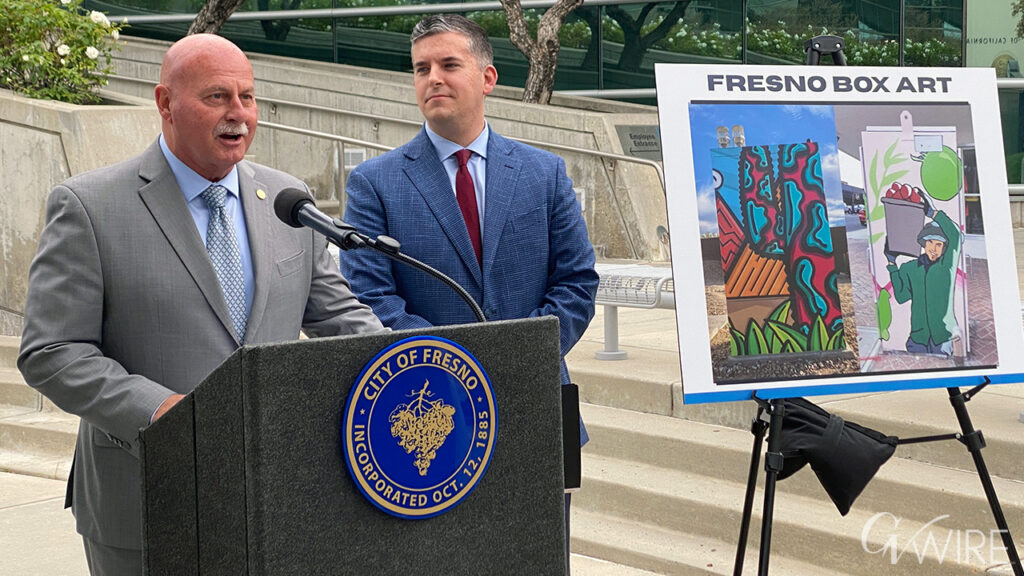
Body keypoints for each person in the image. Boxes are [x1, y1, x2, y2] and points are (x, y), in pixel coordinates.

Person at [17, 34, 384, 576]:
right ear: (165, 103)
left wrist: (414, 361)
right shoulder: (89, 206)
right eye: (217, 97)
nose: (239, 114)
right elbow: (52, 350)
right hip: (144, 502)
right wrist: (165, 415)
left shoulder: (289, 202)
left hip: (273, 501)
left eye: (248, 97)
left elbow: (340, 318)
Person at [340, 14, 598, 572]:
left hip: (536, 403)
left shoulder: (545, 174)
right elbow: (371, 300)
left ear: (487, 77)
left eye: (448, 64)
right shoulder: (374, 184)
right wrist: (452, 368)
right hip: (429, 419)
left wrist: (520, 357)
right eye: (420, 69)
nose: (432, 77)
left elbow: (577, 283)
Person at [884, 195, 962, 356]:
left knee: (942, 376)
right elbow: (901, 296)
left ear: (945, 248)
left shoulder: (946, 266)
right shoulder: (909, 268)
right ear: (923, 243)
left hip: (942, 337)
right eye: (930, 242)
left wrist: (933, 213)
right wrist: (892, 264)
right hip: (917, 338)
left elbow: (956, 236)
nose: (934, 248)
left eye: (939, 244)